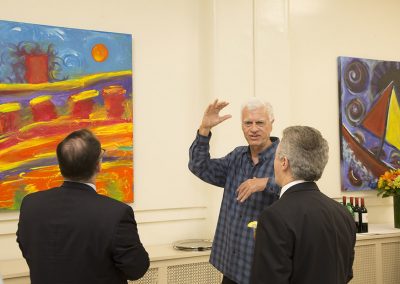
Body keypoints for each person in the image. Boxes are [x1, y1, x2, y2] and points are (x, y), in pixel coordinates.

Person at [17, 129, 149, 284]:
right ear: (98, 164)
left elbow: (28, 249)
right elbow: (137, 269)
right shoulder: (116, 213)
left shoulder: (31, 204)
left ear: (61, 165)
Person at [189, 98, 280, 284]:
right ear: (242, 126)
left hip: (265, 269)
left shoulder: (284, 158)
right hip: (233, 267)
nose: (253, 129)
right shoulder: (237, 157)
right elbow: (199, 166)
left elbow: (302, 191)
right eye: (248, 123)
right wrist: (204, 129)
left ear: (271, 124)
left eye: (260, 123)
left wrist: (268, 183)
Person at [250, 126, 357, 284]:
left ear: (284, 162)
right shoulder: (343, 213)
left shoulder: (274, 217)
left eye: (275, 157)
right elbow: (346, 273)